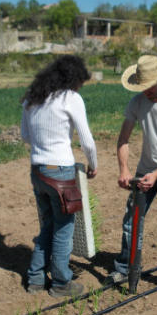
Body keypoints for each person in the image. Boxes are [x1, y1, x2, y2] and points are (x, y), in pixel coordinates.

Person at [106, 55, 157, 301]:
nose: (146, 91)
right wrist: (124, 170)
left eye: (149, 86)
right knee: (130, 223)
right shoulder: (137, 102)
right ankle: (123, 269)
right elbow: (123, 139)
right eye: (142, 87)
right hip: (145, 172)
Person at [21, 55, 98, 298]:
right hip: (61, 174)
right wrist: (93, 165)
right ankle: (61, 283)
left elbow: (25, 136)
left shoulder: (33, 98)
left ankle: (35, 279)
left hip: (38, 171)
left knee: (47, 226)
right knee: (64, 230)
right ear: (73, 79)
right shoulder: (71, 98)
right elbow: (87, 141)